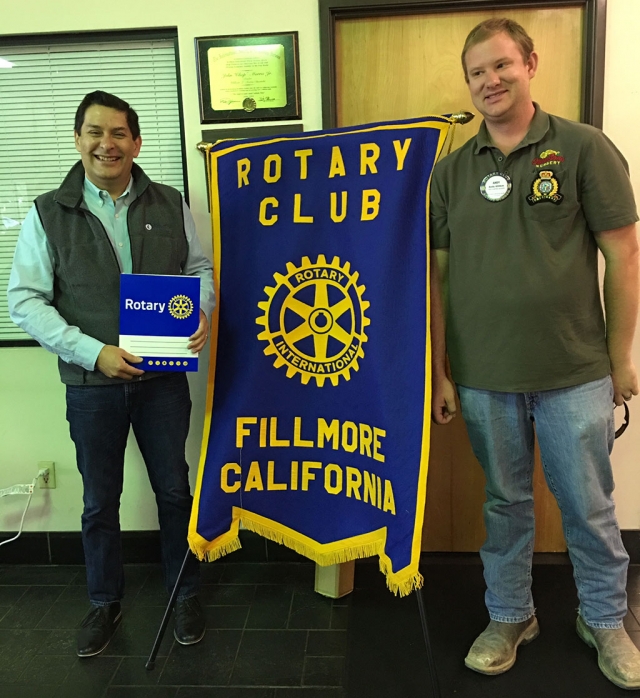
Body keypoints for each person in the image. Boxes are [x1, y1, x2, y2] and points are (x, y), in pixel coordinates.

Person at [429, 18, 640, 690]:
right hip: (485, 373)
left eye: (501, 66)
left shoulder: (583, 149)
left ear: (530, 64)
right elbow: (437, 277)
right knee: (505, 504)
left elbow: (624, 255)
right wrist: (440, 371)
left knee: (589, 507)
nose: (489, 81)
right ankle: (511, 615)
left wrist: (620, 357)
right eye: (476, 72)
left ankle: (606, 620)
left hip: (574, 372)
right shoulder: (451, 172)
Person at [7, 91, 215, 657]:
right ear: (78, 140)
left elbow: (198, 270)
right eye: (95, 132)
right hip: (91, 386)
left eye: (119, 133)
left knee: (175, 490)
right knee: (100, 499)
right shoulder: (50, 212)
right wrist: (91, 351)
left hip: (164, 384)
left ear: (136, 142)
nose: (108, 143)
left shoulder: (170, 203)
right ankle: (104, 602)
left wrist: (200, 308)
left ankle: (184, 591)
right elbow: (24, 301)